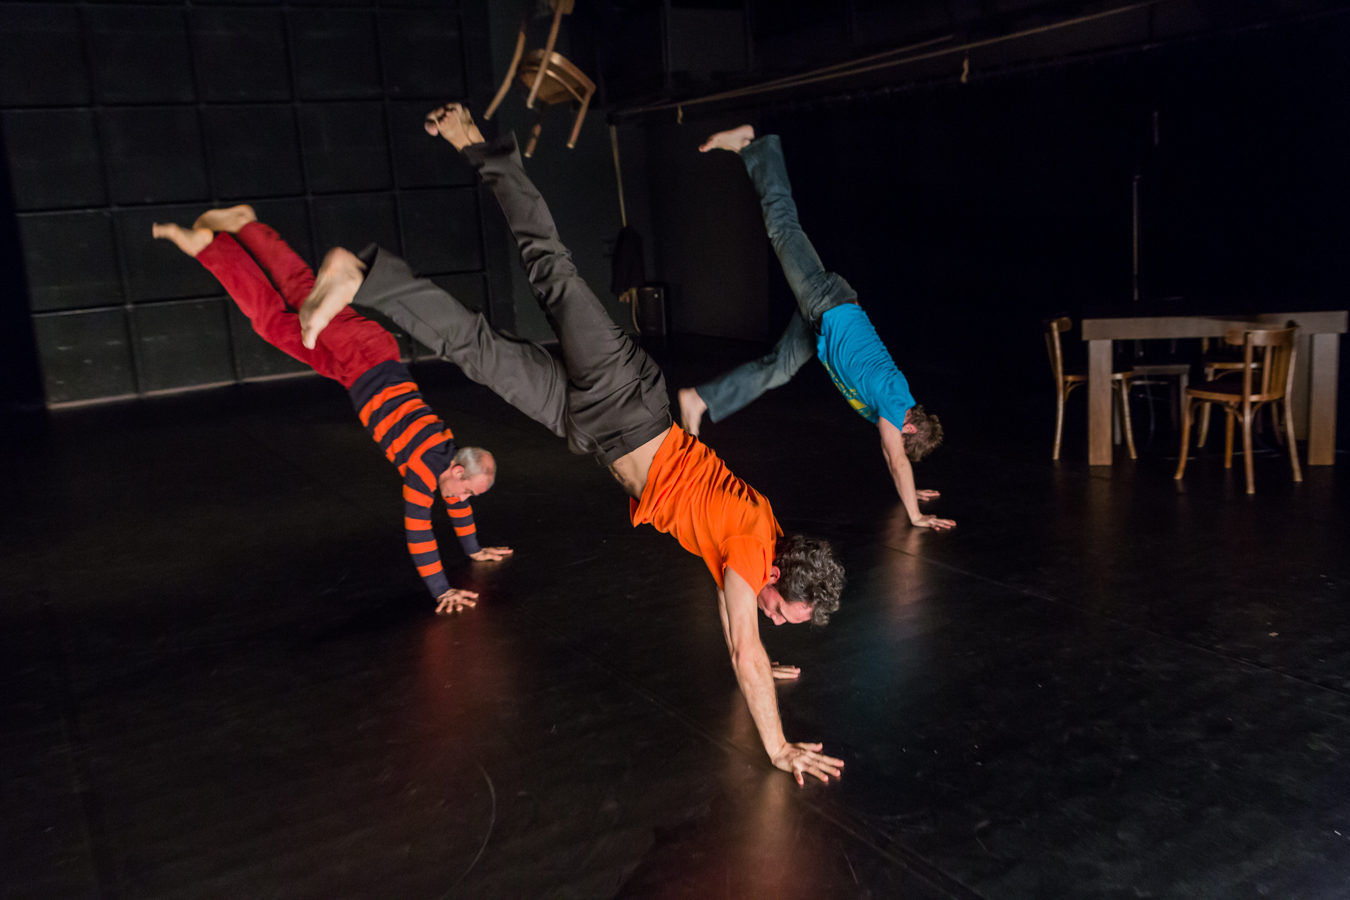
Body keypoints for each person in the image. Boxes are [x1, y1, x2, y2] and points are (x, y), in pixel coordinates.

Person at [301, 104, 846, 786]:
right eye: (782, 610)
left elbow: (745, 628)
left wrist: (763, 650)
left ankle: (364, 277)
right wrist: (779, 745)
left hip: (587, 429)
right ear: (776, 576)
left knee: (477, 352)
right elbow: (741, 645)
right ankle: (481, 148)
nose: (775, 619)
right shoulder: (750, 548)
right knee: (550, 268)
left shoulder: (758, 546)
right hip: (627, 396)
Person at [151, 207, 513, 615]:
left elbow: (458, 503)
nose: (463, 500)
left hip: (349, 374)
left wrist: (474, 549)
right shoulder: (425, 469)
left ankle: (211, 249)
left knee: (271, 325)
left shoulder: (448, 460)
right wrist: (441, 590)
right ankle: (246, 224)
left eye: (468, 496)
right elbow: (419, 534)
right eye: (466, 491)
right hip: (369, 353)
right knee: (301, 289)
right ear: (458, 472)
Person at [678, 126, 955, 531]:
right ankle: (753, 146)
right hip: (826, 299)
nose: (896, 439)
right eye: (903, 437)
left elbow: (897, 459)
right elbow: (895, 458)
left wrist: (912, 491)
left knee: (779, 368)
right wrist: (915, 515)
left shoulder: (896, 404)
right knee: (783, 227)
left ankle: (698, 399)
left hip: (821, 323)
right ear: (908, 426)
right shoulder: (895, 408)